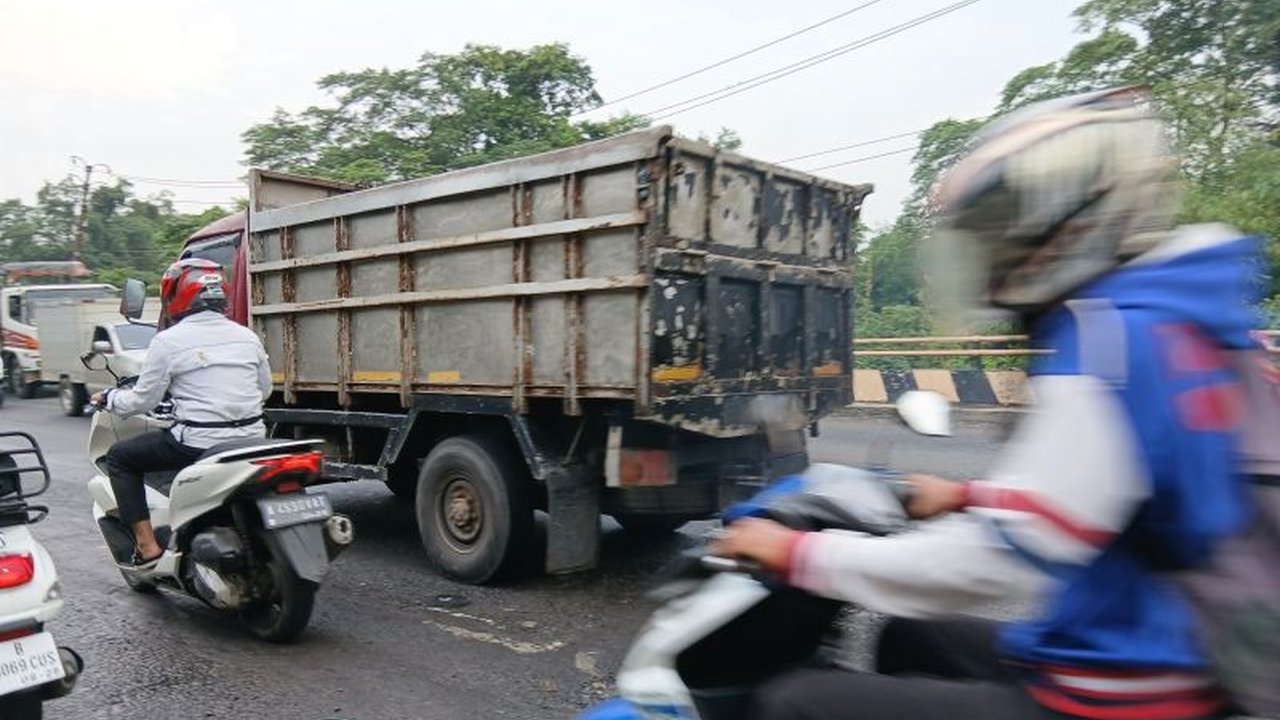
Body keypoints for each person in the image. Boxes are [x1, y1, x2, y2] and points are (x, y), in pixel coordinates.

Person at [713, 86, 1259, 720]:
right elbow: (1111, 490)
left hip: (1127, 691)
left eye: (1007, 228)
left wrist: (801, 554)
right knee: (910, 634)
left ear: (1075, 214)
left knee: (794, 704)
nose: (997, 255)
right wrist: (968, 496)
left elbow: (1005, 559)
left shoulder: (1114, 337)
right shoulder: (1182, 316)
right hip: (1165, 643)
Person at [92, 258, 273, 568]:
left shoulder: (168, 341)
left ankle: (147, 547)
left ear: (175, 295)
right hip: (252, 437)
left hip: (199, 443)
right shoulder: (246, 335)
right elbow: (264, 390)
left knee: (121, 458)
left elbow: (142, 402)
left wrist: (109, 398)